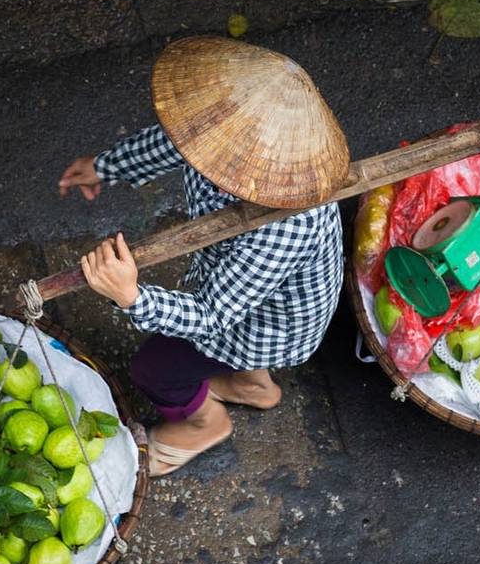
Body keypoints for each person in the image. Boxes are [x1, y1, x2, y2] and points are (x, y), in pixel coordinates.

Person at [56, 36, 350, 477]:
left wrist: (132, 297)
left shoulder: (286, 224)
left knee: (154, 368)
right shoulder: (220, 138)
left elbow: (213, 314)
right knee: (222, 346)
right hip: (249, 291)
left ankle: (204, 423)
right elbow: (173, 143)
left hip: (269, 322)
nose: (204, 150)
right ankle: (254, 384)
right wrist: (108, 165)